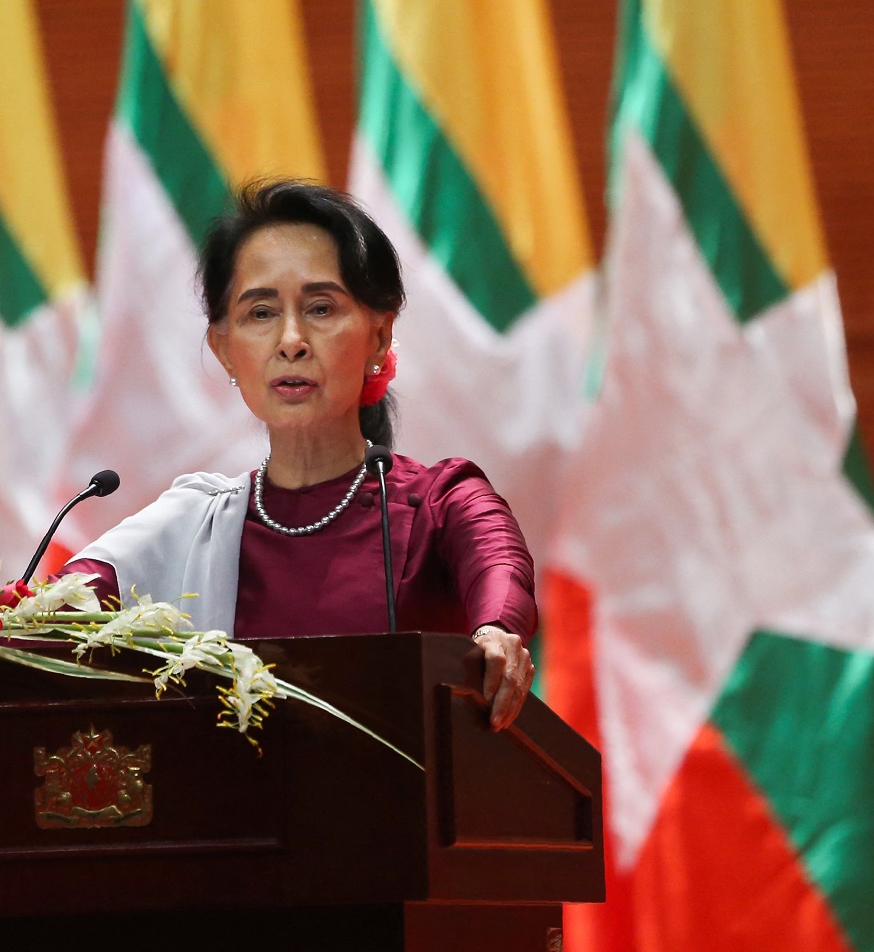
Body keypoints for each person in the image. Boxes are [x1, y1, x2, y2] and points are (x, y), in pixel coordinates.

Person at [63, 180, 537, 730]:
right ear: (225, 350)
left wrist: (496, 632)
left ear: (379, 337)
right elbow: (56, 608)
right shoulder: (191, 521)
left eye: (320, 307)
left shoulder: (440, 501)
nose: (291, 339)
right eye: (260, 313)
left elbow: (500, 566)